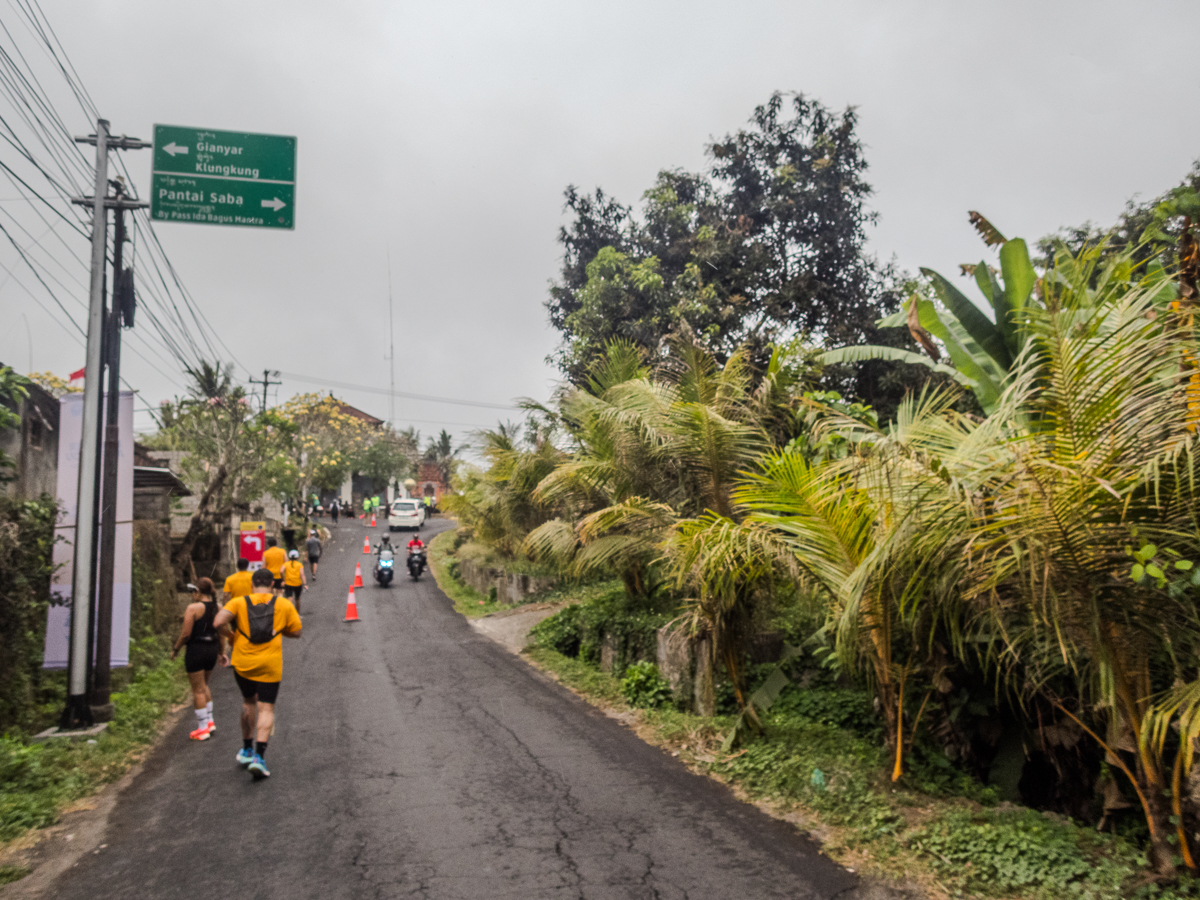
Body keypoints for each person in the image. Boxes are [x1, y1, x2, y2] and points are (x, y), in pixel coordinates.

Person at [213, 567, 302, 780]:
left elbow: (217, 622)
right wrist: (279, 631)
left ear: (252, 584)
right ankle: (259, 758)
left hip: (243, 662)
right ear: (272, 584)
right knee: (266, 708)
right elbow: (297, 632)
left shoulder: (239, 602)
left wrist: (231, 635)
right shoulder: (283, 604)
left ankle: (246, 749)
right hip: (270, 664)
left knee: (248, 702)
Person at [171, 578, 227, 741]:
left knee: (197, 690)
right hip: (211, 649)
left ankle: (202, 728)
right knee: (204, 685)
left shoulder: (193, 608)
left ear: (198, 592)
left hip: (196, 650)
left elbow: (186, 634)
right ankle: (209, 721)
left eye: (192, 592)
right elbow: (221, 634)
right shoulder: (218, 608)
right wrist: (221, 652)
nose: (191, 595)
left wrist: (176, 649)